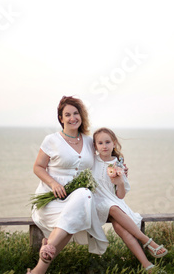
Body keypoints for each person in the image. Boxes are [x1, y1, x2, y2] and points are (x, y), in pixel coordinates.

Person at [27, 96, 109, 274]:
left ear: (81, 116)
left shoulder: (88, 141)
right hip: (52, 199)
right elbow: (38, 167)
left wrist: (119, 168)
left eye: (76, 113)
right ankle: (40, 267)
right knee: (73, 217)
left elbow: (105, 159)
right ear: (61, 118)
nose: (73, 118)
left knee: (83, 196)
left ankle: (41, 263)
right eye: (67, 114)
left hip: (77, 199)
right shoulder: (51, 140)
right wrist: (53, 183)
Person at [91, 127, 168, 272]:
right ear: (95, 146)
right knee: (112, 207)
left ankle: (148, 266)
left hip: (115, 202)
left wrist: (119, 180)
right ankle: (147, 241)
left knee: (120, 227)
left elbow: (120, 195)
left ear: (114, 143)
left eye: (107, 142)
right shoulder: (91, 162)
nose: (104, 146)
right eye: (100, 143)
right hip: (97, 202)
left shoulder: (118, 164)